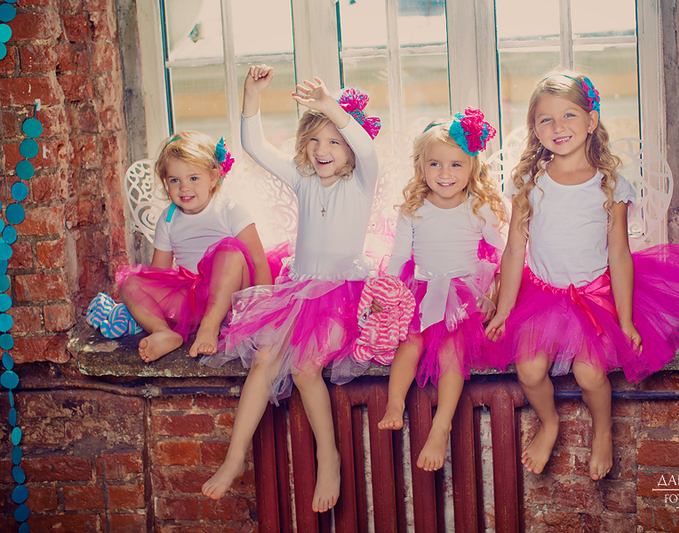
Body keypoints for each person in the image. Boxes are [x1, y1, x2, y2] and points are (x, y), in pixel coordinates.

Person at [485, 72, 679, 481]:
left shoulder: (609, 184)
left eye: (569, 115)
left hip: (595, 295)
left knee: (590, 373)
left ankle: (603, 429)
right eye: (546, 119)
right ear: (535, 129)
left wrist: (625, 319)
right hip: (543, 295)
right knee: (529, 370)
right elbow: (515, 249)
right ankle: (549, 423)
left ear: (591, 121)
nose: (558, 126)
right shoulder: (530, 184)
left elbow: (619, 254)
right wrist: (503, 310)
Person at [200, 65, 380, 512]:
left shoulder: (362, 180)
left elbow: (365, 146)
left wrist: (328, 106)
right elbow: (254, 146)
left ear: (349, 148)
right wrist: (251, 94)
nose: (321, 150)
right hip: (297, 291)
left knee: (304, 368)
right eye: (314, 140)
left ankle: (328, 456)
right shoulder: (303, 179)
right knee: (264, 360)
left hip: (341, 295)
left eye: (333, 141)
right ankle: (234, 457)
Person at [377, 109, 507, 472]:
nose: (445, 173)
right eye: (435, 164)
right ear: (421, 167)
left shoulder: (478, 207)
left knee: (452, 351)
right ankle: (395, 402)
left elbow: (503, 254)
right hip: (421, 289)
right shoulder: (413, 208)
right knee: (410, 341)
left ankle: (441, 425)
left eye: (455, 165)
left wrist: (494, 296)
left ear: (472, 167)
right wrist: (386, 294)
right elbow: (398, 256)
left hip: (464, 295)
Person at [118, 131, 271, 363]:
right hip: (191, 301)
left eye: (193, 178)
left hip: (232, 299)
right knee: (129, 282)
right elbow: (159, 274)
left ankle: (210, 326)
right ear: (165, 183)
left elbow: (259, 262)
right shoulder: (168, 219)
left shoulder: (229, 210)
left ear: (213, 177)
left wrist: (262, 311)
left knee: (230, 251)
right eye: (175, 180)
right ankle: (162, 332)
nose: (184, 188)